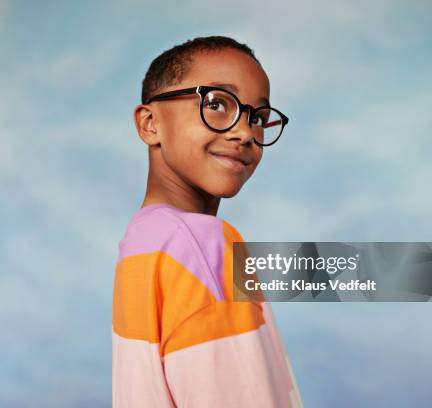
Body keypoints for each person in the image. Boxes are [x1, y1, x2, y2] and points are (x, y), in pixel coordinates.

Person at [112, 35, 302, 407]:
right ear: (150, 123)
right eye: (216, 103)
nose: (245, 132)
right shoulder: (205, 244)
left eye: (258, 118)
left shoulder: (144, 240)